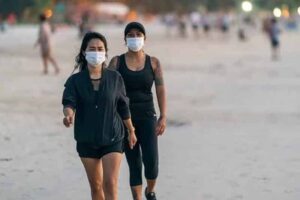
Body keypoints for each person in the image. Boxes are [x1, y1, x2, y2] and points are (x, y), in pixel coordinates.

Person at [62, 32, 137, 200]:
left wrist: (131, 130)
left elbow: (123, 107)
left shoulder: (115, 78)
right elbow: (68, 103)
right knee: (96, 187)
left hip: (113, 136)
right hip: (86, 138)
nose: (96, 52)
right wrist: (68, 116)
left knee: (110, 183)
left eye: (100, 49)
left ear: (105, 52)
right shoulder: (75, 81)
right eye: (92, 49)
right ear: (84, 52)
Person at [108, 22, 167, 200]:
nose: (134, 38)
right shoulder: (116, 62)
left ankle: (150, 190)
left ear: (144, 38)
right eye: (130, 35)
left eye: (138, 34)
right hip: (124, 119)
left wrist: (163, 115)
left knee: (151, 161)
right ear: (125, 39)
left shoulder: (154, 62)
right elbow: (108, 90)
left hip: (148, 116)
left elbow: (160, 89)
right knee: (133, 162)